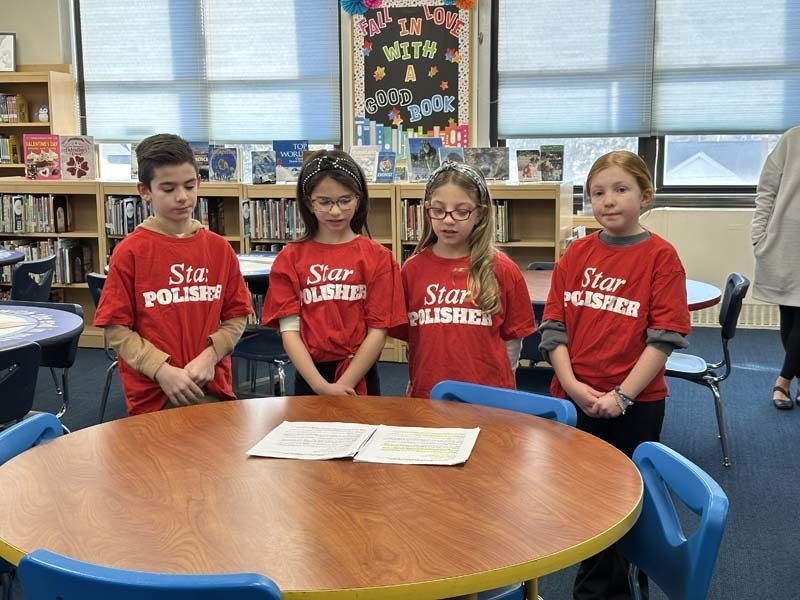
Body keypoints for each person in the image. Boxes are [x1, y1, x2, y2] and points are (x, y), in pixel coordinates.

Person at [538, 150, 690, 600]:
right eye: (597, 192)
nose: (607, 201)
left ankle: (600, 590)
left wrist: (620, 396)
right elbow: (553, 329)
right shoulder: (576, 253)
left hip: (635, 405)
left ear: (645, 196)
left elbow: (664, 338)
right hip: (575, 399)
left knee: (621, 505)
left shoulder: (661, 257)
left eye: (620, 190)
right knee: (580, 502)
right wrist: (572, 386)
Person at [94, 133, 252, 415]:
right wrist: (162, 370)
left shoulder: (219, 249)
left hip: (210, 384)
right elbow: (116, 328)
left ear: (199, 184)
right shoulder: (130, 252)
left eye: (189, 186)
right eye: (168, 189)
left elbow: (237, 315)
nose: (182, 197)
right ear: (145, 191)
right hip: (154, 393)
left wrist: (211, 355)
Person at [261, 149, 406, 396]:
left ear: (359, 198)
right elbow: (290, 330)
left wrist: (345, 384)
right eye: (325, 202)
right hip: (310, 376)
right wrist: (320, 386)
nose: (335, 211)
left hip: (359, 374)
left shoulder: (378, 257)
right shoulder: (290, 258)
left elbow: (378, 330)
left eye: (344, 200)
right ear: (309, 202)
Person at [391, 161, 536, 399]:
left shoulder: (503, 269)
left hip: (487, 398)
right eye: (438, 210)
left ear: (480, 213)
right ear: (426, 210)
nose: (448, 220)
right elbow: (415, 341)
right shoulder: (412, 269)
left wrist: (500, 393)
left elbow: (512, 342)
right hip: (428, 395)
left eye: (461, 211)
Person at [751, 126, 800, 410]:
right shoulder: (793, 138)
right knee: (790, 313)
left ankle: (783, 379)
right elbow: (766, 188)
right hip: (785, 241)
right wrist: (759, 236)